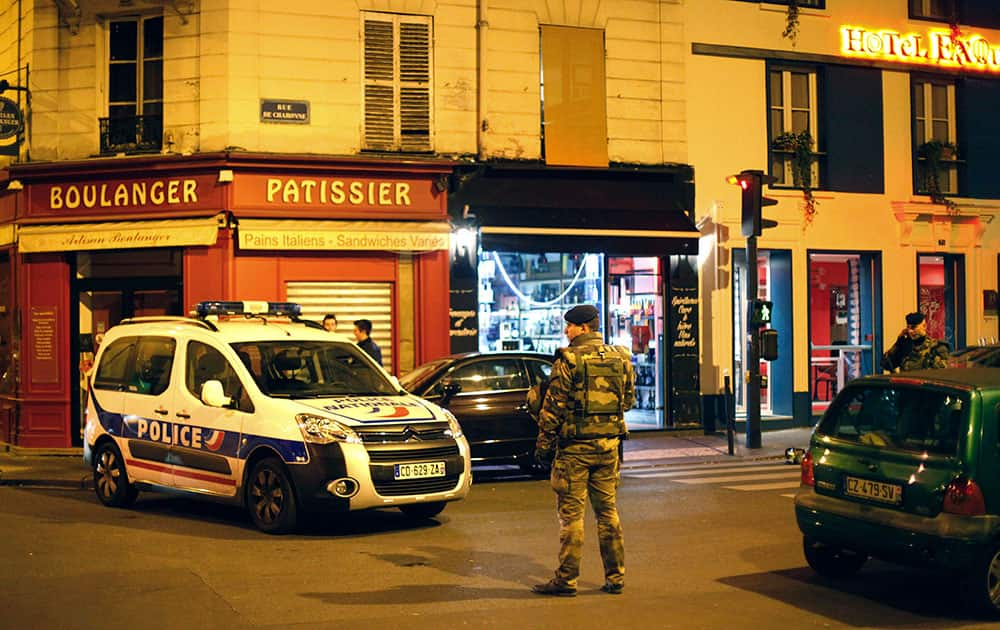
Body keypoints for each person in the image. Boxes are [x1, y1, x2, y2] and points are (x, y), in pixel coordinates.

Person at [531, 304, 636, 598]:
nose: (566, 331)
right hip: (609, 448)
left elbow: (553, 409)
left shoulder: (569, 360)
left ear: (584, 328)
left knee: (572, 517)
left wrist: (543, 446)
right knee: (608, 514)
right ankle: (616, 578)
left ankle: (566, 581)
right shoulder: (621, 358)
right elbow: (627, 402)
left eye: (570, 326)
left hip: (575, 450)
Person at [881, 311, 949, 372]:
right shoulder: (905, 346)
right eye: (908, 327)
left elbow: (942, 373)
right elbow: (885, 364)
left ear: (924, 326)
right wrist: (898, 343)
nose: (910, 331)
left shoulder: (937, 347)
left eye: (913, 327)